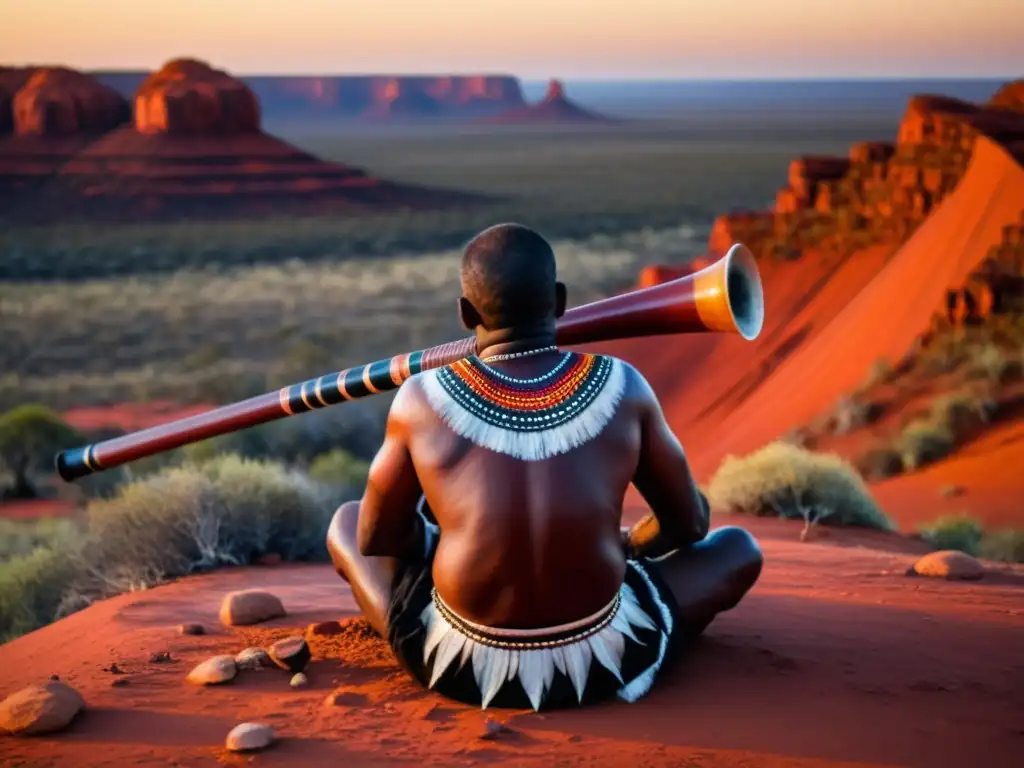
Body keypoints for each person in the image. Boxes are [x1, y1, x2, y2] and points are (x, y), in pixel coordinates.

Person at [327, 223, 763, 711]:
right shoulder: (626, 384)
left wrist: (438, 544)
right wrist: (629, 545)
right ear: (558, 302)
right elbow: (690, 523)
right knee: (737, 548)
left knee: (345, 521)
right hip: (607, 655)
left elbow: (376, 537)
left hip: (462, 663)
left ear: (466, 313)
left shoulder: (419, 398)